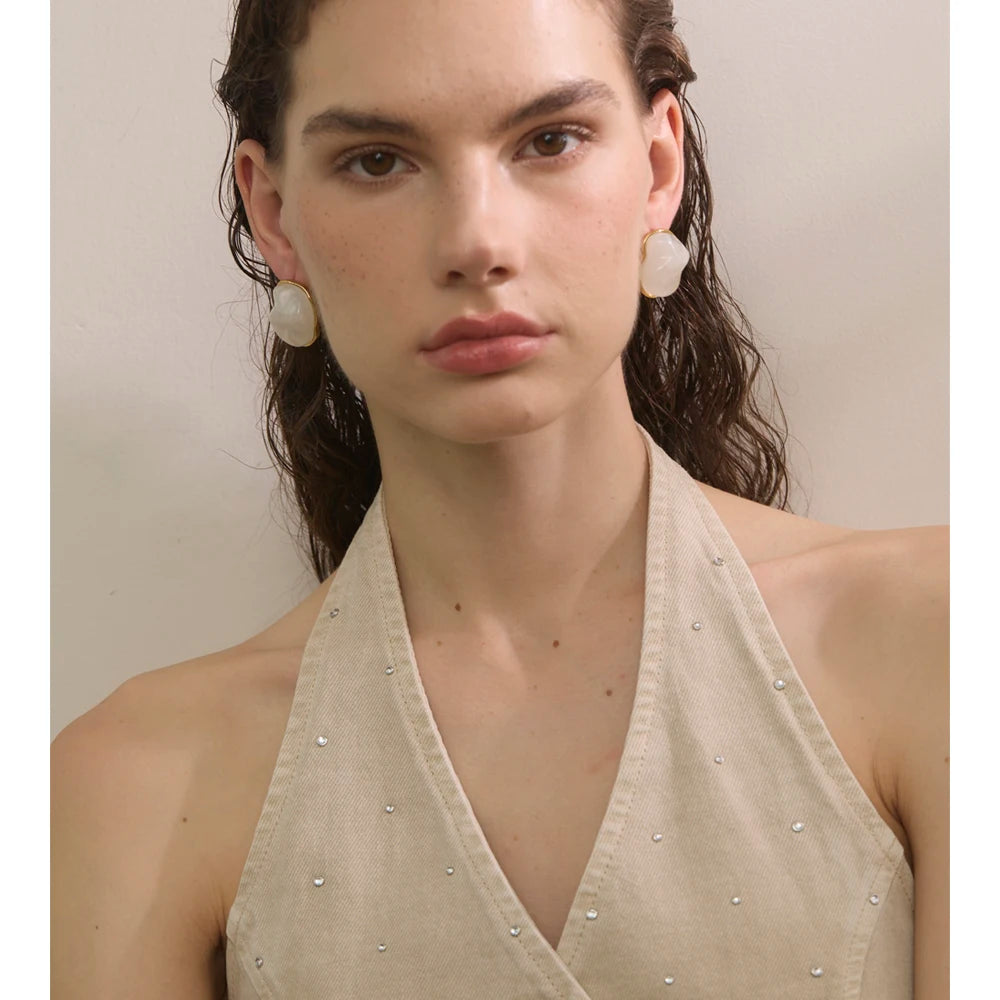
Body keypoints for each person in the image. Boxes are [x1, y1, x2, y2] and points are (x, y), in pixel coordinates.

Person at [50, 0, 949, 997]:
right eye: (378, 161)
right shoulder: (134, 785)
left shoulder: (939, 639)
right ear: (274, 214)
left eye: (549, 140)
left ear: (658, 166)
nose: (477, 241)